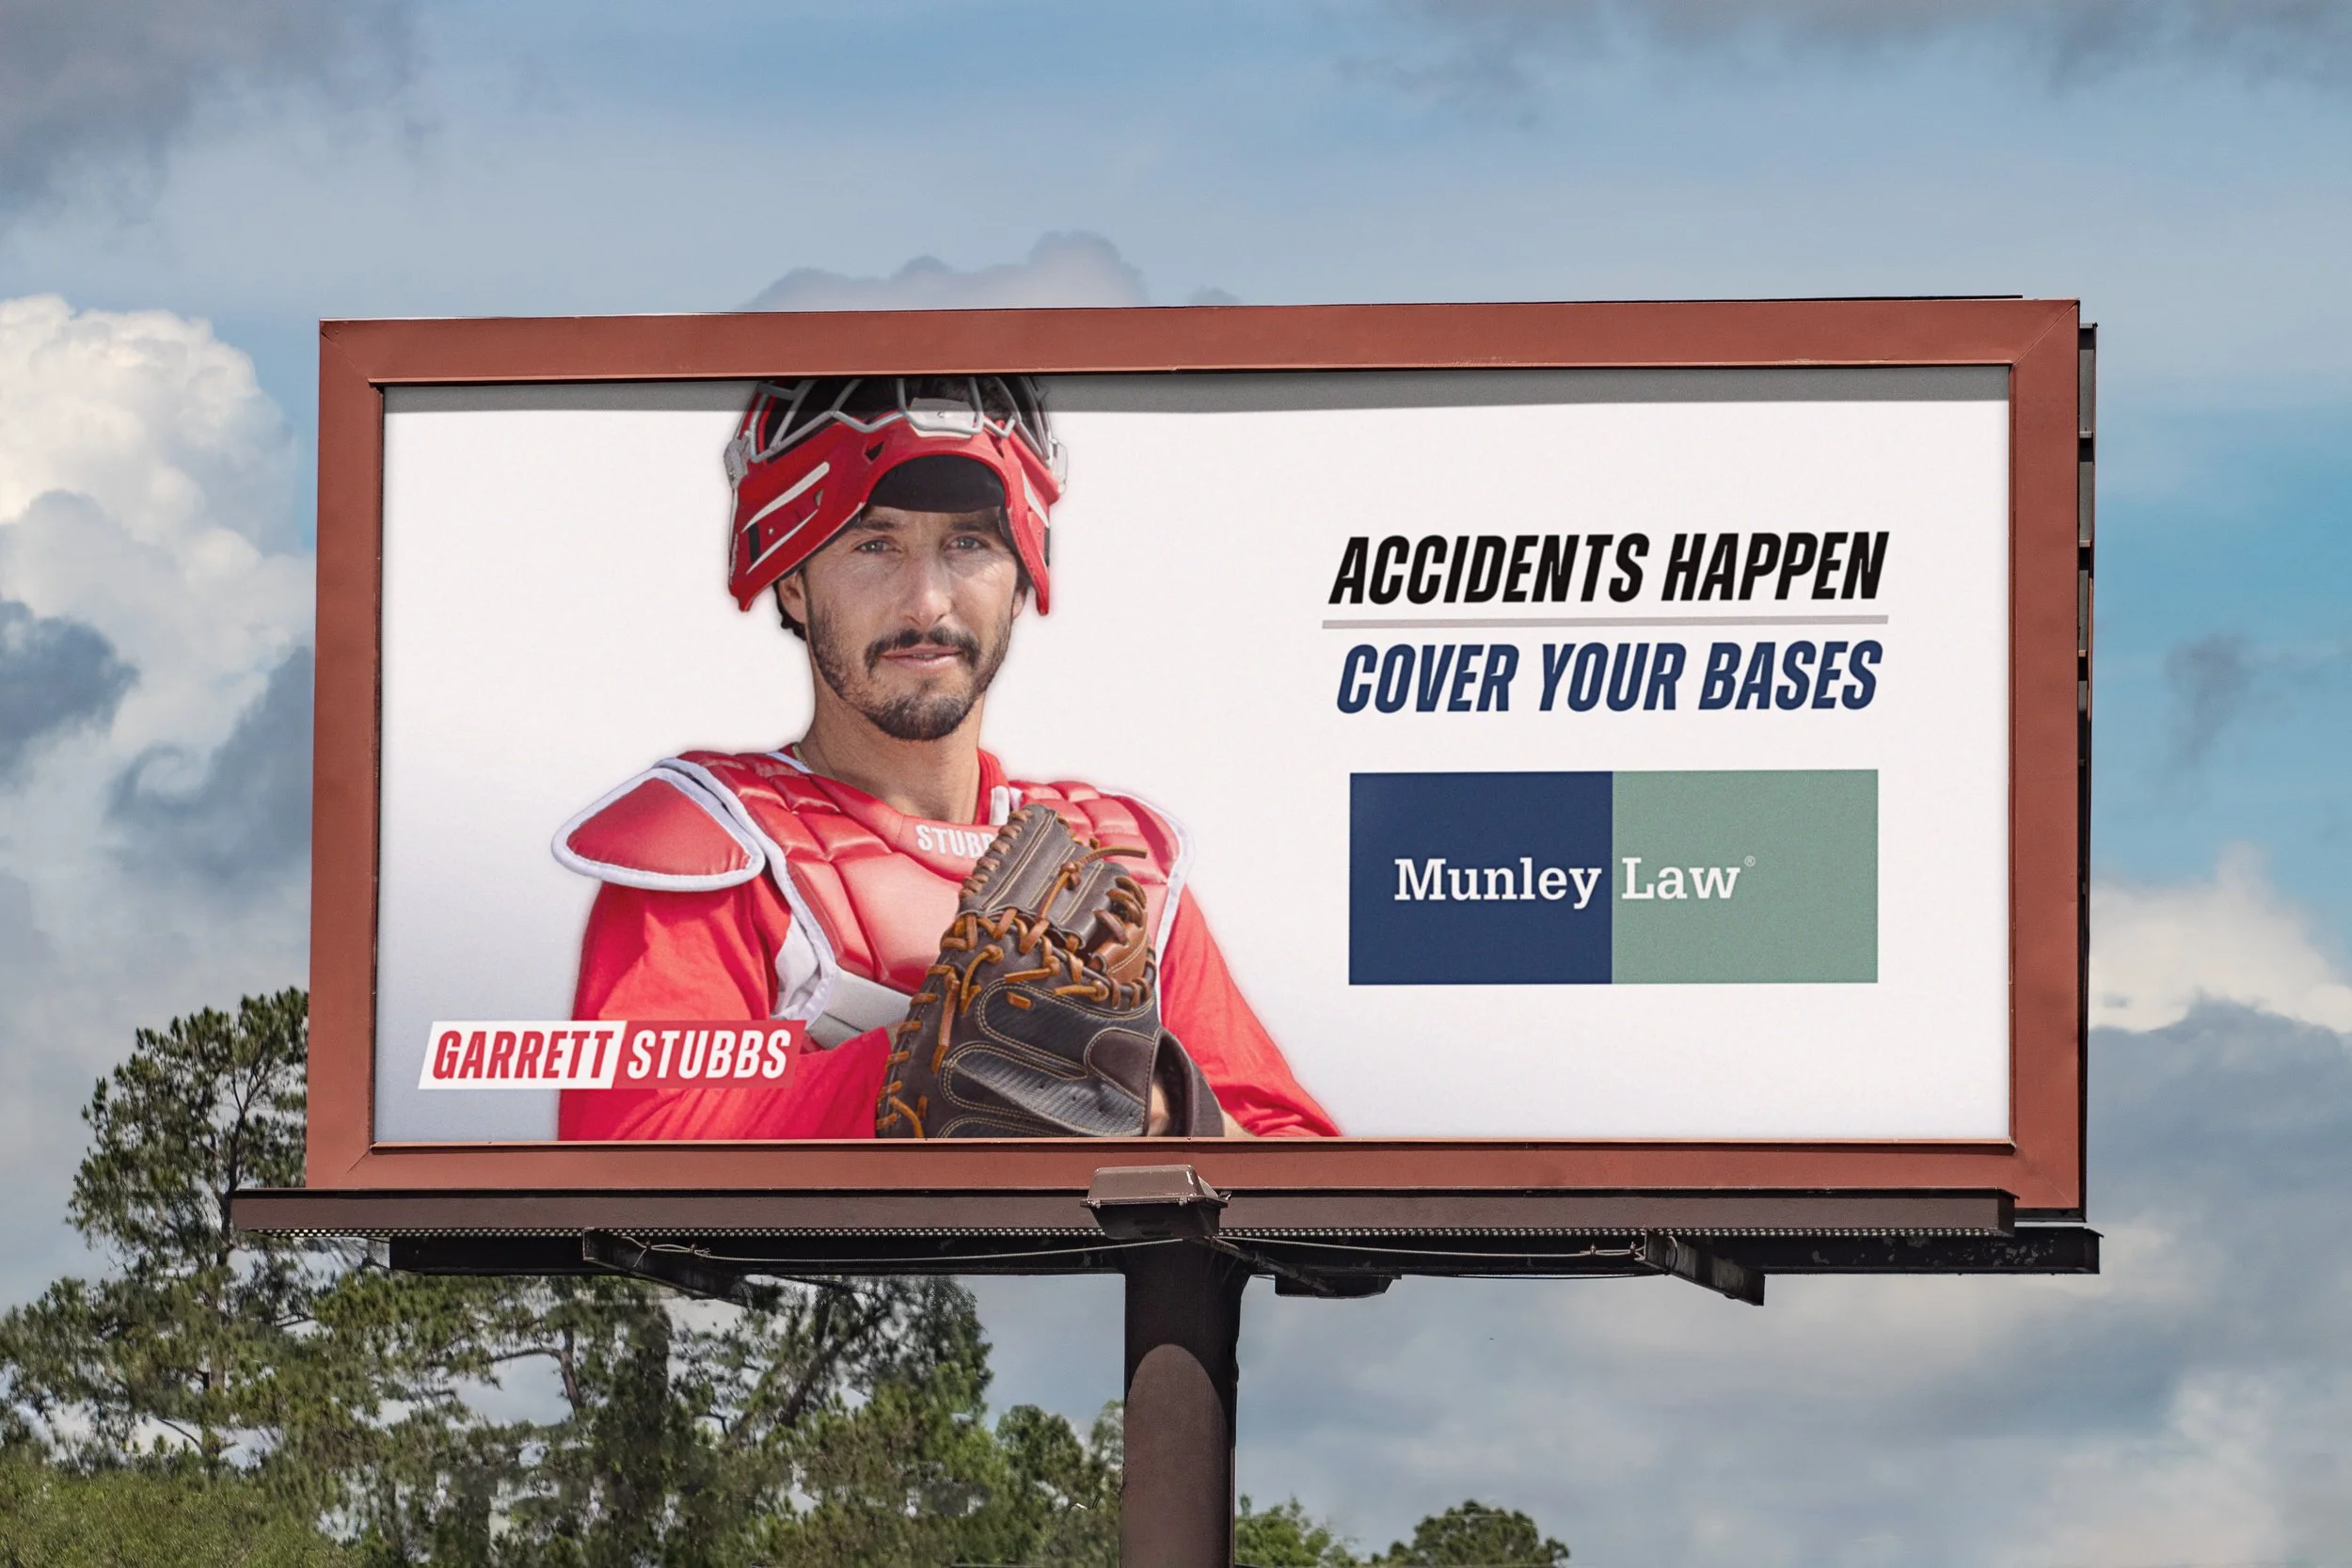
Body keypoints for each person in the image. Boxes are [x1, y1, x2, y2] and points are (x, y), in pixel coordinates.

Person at [551, 375, 1337, 1141]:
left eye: (968, 543)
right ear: (791, 581)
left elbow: (1308, 1177)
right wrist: (929, 1064)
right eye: (875, 544)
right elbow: (626, 1143)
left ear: (1023, 581)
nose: (927, 602)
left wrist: (1157, 1111)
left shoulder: (1122, 869)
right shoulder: (715, 847)